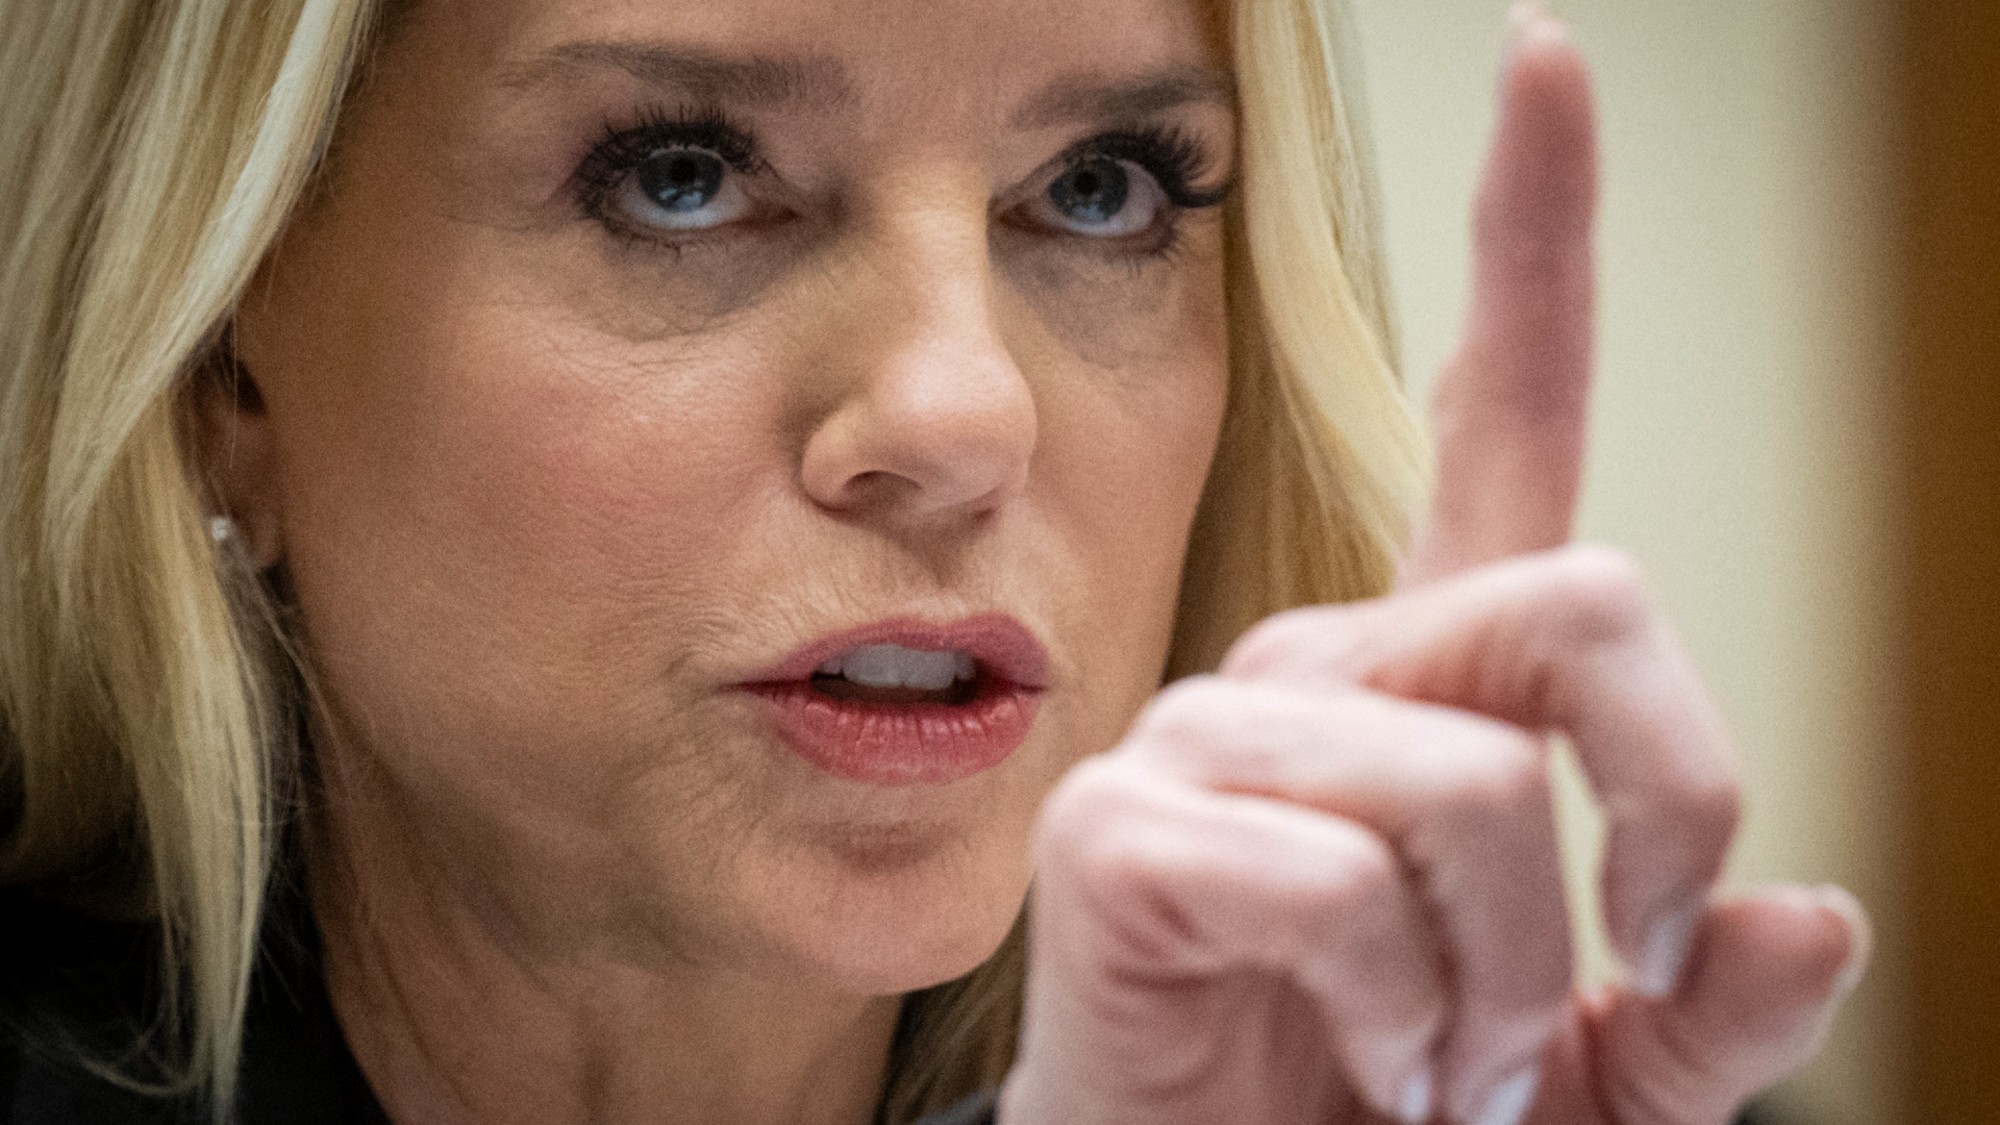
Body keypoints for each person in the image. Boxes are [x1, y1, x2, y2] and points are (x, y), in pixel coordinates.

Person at [0, 0, 1869, 1122]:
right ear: (221, 349)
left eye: (1103, 188)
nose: (965, 411)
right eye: (679, 174)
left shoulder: (1523, 1086)